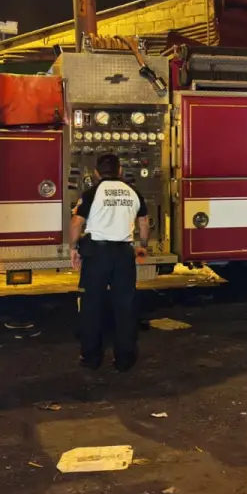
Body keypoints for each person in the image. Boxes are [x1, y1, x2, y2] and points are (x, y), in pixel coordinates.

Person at [70, 153, 149, 371]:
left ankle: (91, 357)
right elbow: (143, 221)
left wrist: (73, 248)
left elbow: (77, 223)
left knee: (91, 305)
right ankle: (124, 359)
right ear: (120, 170)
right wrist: (142, 245)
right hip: (124, 254)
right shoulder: (133, 192)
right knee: (125, 306)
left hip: (97, 254)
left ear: (96, 173)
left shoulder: (92, 193)